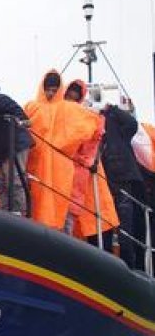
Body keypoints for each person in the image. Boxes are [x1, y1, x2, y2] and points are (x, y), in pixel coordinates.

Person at [24, 71, 101, 230]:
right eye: (48, 89)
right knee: (36, 205)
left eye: (54, 89)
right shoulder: (31, 106)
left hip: (59, 170)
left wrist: (76, 152)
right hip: (36, 166)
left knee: (58, 206)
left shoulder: (68, 108)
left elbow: (95, 125)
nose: (50, 93)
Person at [63, 80, 118, 249]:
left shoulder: (90, 120)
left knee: (100, 236)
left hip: (91, 190)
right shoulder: (69, 119)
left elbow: (90, 145)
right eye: (70, 94)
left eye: (76, 95)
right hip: (75, 190)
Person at [101, 103, 146, 268]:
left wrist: (112, 109)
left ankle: (129, 266)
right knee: (105, 225)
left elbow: (132, 124)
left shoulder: (117, 126)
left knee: (125, 227)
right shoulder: (89, 121)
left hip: (121, 180)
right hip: (102, 182)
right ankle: (106, 262)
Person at [0, 84, 34, 213]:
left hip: (15, 143)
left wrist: (23, 118)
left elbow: (11, 106)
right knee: (1, 181)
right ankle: (6, 211)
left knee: (14, 179)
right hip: (1, 148)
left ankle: (19, 212)